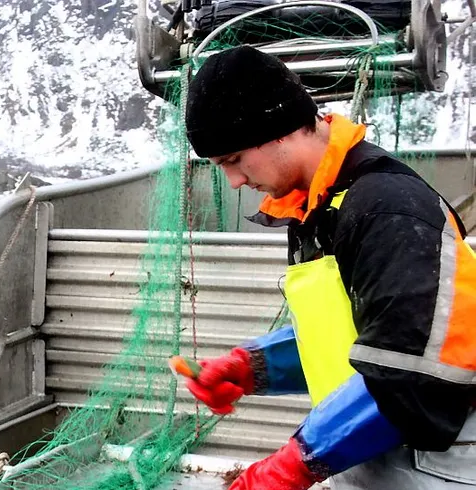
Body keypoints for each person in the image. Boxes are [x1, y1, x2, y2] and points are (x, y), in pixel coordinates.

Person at [180, 45, 476, 489]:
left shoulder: (387, 209)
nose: (235, 181)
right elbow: (357, 335)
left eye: (234, 160)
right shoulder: (320, 206)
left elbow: (408, 368)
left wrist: (291, 466)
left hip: (437, 463)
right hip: (368, 450)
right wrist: (253, 367)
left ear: (276, 128)